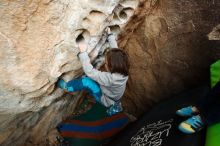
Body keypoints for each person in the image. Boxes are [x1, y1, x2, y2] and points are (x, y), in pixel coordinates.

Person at [57, 27, 129, 116]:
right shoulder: (123, 70)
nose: (105, 64)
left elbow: (89, 71)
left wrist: (83, 52)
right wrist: (110, 35)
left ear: (112, 67)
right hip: (113, 95)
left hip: (104, 98)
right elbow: (115, 51)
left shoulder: (110, 78)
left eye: (106, 63)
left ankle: (67, 87)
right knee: (91, 79)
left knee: (87, 82)